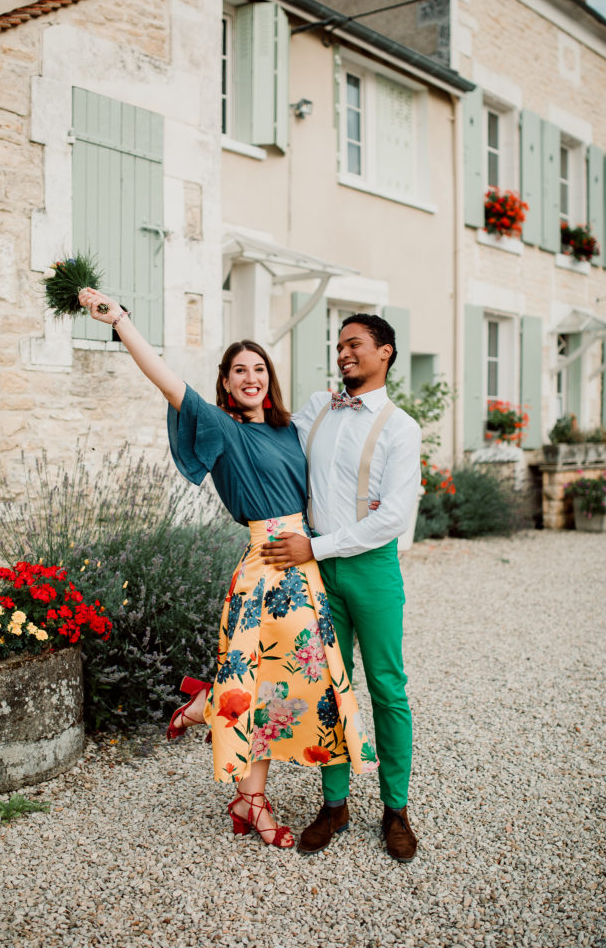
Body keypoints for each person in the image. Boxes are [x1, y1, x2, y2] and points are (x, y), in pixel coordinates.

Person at [77, 288, 378, 850]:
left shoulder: (291, 428)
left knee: (292, 685)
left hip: (305, 567)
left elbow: (338, 459)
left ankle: (206, 707)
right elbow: (165, 380)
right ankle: (249, 794)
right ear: (226, 382)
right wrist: (119, 320)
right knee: (260, 687)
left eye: (259, 368)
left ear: (271, 378)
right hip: (264, 568)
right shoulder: (220, 426)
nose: (251, 377)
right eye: (239, 370)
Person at [260, 314, 422, 862]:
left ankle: (395, 809)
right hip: (315, 569)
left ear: (386, 352)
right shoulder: (318, 408)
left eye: (355, 344)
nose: (344, 353)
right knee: (327, 684)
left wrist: (318, 547)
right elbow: (272, 436)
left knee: (386, 688)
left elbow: (394, 516)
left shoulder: (402, 427)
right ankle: (335, 804)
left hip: (371, 568)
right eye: (339, 345)